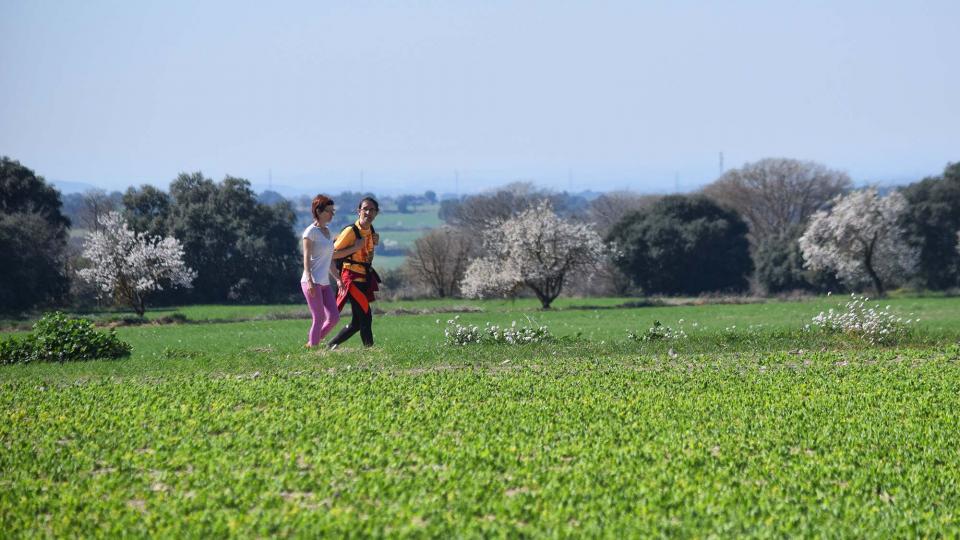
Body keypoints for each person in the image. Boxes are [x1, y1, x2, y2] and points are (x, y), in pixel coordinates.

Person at [300, 195, 362, 348]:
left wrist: (338, 278)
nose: (332, 214)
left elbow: (330, 258)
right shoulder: (310, 232)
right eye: (329, 211)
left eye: (333, 211)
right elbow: (306, 258)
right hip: (312, 282)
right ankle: (314, 350)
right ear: (319, 211)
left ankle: (311, 344)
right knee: (319, 317)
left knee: (333, 318)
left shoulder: (327, 231)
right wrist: (309, 280)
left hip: (325, 283)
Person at [328, 197, 381, 349]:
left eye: (372, 210)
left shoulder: (371, 231)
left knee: (357, 322)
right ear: (359, 211)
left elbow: (368, 256)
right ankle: (370, 351)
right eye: (365, 209)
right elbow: (332, 254)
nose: (368, 212)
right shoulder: (351, 231)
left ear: (376, 213)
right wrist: (354, 248)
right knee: (366, 315)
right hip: (351, 278)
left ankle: (330, 346)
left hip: (364, 277)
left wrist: (373, 243)